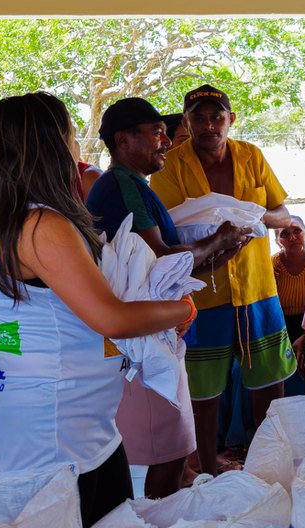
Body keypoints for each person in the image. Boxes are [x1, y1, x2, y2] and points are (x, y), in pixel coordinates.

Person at [0, 92, 195, 528]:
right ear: (51, 146)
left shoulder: (2, 219)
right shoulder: (40, 225)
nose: (75, 147)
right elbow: (111, 318)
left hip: (78, 418)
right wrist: (179, 309)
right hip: (55, 427)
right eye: (68, 136)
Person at [86, 97, 250, 498]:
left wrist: (217, 255)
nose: (166, 141)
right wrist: (217, 239)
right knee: (168, 453)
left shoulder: (134, 185)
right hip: (140, 341)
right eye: (156, 132)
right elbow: (161, 257)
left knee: (174, 452)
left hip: (155, 333)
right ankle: (158, 522)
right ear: (124, 140)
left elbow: (164, 270)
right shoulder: (122, 185)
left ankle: (162, 519)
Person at [150, 84, 296, 476]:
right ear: (186, 123)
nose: (209, 125)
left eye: (217, 117)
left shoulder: (252, 156)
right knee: (202, 392)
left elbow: (282, 214)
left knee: (269, 384)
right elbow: (167, 234)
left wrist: (250, 217)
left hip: (257, 290)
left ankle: (267, 465)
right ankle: (205, 468)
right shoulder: (170, 165)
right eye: (198, 118)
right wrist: (220, 231)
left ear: (231, 119)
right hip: (202, 295)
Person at [272, 216, 305, 393]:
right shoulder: (272, 266)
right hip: (282, 327)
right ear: (277, 242)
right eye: (284, 234)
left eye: (297, 231)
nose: (292, 237)